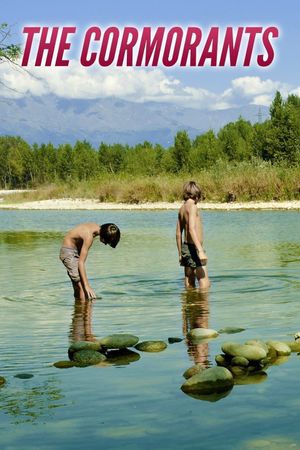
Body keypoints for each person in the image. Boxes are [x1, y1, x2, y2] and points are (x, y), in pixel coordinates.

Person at [59, 222, 120, 300]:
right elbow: (81, 263)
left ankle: (79, 309)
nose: (105, 244)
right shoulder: (89, 237)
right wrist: (87, 286)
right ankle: (86, 310)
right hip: (69, 253)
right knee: (82, 286)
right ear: (103, 236)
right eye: (106, 241)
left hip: (71, 251)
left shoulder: (94, 226)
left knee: (77, 286)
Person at [176, 181, 210, 289]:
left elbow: (178, 234)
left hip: (185, 248)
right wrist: (200, 250)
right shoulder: (193, 207)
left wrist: (180, 253)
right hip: (194, 248)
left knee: (189, 280)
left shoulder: (182, 208)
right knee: (205, 284)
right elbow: (191, 229)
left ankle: (189, 303)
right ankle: (201, 304)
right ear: (197, 195)